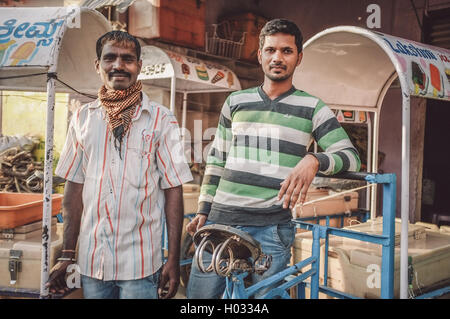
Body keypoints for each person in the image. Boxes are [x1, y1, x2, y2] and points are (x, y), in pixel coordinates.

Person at [186, 19, 361, 298]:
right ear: (260, 55)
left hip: (270, 228)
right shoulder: (235, 102)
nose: (277, 57)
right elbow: (217, 160)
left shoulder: (312, 107)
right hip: (220, 220)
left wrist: (314, 160)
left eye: (286, 51)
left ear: (298, 57)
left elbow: (351, 158)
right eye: (270, 50)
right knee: (199, 300)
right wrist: (203, 211)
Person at [46, 31, 193, 299]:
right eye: (110, 58)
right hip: (93, 263)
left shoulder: (160, 119)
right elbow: (74, 189)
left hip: (141, 263)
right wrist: (68, 254)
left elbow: (173, 190)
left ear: (139, 66)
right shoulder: (82, 118)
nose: (118, 65)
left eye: (127, 59)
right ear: (97, 65)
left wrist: (172, 259)